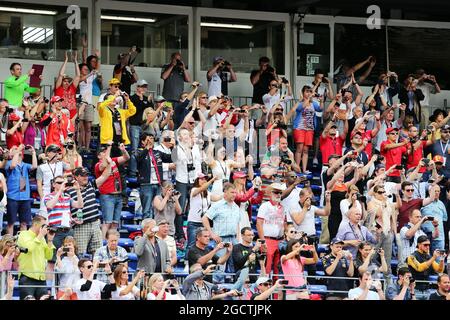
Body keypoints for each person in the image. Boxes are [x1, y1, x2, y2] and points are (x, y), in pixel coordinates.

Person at [66, 167, 103, 256]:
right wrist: (71, 219)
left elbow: (105, 176)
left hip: (95, 223)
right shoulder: (68, 190)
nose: (86, 177)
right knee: (80, 253)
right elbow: (65, 209)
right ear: (76, 177)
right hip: (80, 226)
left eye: (86, 175)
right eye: (83, 175)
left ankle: (96, 270)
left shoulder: (91, 185)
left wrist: (109, 164)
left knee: (98, 253)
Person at [95, 143, 130, 237]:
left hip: (118, 195)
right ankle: (102, 243)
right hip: (107, 196)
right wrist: (109, 147)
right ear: (99, 156)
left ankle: (112, 241)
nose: (106, 153)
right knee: (107, 222)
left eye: (106, 151)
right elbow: (104, 164)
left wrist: (123, 150)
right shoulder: (98, 165)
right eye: (103, 152)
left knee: (115, 223)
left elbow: (126, 157)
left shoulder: (113, 161)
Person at [286, 85, 324, 172]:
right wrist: (309, 98)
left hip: (309, 129)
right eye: (307, 91)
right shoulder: (300, 103)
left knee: (306, 150)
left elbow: (320, 109)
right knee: (299, 148)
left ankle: (304, 169)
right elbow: (301, 108)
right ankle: (297, 168)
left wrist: (321, 101)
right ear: (303, 93)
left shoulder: (313, 103)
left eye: (310, 91)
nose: (309, 93)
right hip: (299, 128)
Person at [17, 215, 55, 300]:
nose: (46, 228)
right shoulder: (23, 234)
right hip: (27, 277)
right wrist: (40, 235)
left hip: (41, 278)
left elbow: (49, 256)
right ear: (35, 225)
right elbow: (29, 248)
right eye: (43, 226)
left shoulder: (42, 238)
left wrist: (50, 240)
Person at [44, 175, 83, 253]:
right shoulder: (48, 196)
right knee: (53, 258)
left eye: (63, 183)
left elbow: (80, 205)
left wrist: (78, 190)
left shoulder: (67, 197)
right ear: (53, 184)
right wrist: (60, 191)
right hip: (55, 231)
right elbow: (50, 205)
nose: (62, 184)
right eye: (59, 183)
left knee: (69, 255)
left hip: (68, 231)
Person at [256, 183, 288, 277]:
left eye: (280, 193)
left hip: (280, 240)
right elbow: (259, 223)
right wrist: (263, 241)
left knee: (278, 268)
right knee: (267, 267)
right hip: (268, 239)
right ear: (270, 193)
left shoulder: (283, 208)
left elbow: (285, 223)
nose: (278, 194)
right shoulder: (264, 206)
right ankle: (265, 288)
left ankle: (275, 290)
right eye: (276, 192)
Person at [5, 144, 36, 235]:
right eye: (14, 149)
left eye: (18, 149)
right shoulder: (8, 163)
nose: (17, 150)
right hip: (13, 197)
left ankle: (23, 242)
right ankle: (9, 242)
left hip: (24, 197)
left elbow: (34, 166)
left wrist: (33, 153)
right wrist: (18, 150)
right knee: (11, 223)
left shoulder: (25, 165)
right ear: (11, 153)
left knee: (24, 223)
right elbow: (14, 165)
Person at [186, 174, 221, 249]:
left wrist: (227, 194)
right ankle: (187, 261)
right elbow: (202, 188)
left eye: (205, 179)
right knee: (191, 245)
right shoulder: (193, 190)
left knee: (203, 246)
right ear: (196, 180)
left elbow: (217, 198)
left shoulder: (207, 193)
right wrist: (211, 180)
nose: (204, 181)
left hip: (203, 224)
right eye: (201, 179)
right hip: (193, 223)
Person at [97, 80, 137, 146]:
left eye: (118, 86)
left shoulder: (120, 111)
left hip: (119, 139)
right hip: (108, 140)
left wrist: (128, 100)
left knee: (119, 156)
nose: (117, 88)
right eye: (115, 86)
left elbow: (133, 111)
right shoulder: (104, 110)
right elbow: (100, 106)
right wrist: (114, 96)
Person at [407, 235, 446, 300]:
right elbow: (419, 268)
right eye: (425, 245)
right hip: (414, 290)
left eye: (428, 245)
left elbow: (439, 270)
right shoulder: (411, 257)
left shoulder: (429, 257)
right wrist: (433, 257)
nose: (427, 247)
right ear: (419, 244)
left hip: (427, 290)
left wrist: (442, 259)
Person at [136, 132, 163, 219]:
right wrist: (147, 148)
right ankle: (146, 231)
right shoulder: (138, 151)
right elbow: (139, 158)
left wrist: (174, 147)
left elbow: (170, 157)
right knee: (147, 211)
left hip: (158, 184)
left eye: (152, 139)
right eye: (148, 139)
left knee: (157, 210)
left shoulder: (157, 152)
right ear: (143, 142)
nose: (151, 141)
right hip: (146, 184)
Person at [129, 79, 152, 177]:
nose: (143, 88)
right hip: (135, 125)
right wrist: (142, 100)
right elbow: (136, 110)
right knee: (134, 149)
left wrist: (148, 101)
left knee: (145, 148)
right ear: (137, 87)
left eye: (145, 87)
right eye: (141, 86)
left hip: (145, 126)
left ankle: (143, 170)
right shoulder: (132, 98)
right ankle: (133, 171)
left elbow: (150, 110)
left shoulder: (147, 98)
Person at [36, 144, 67, 216]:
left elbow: (72, 167)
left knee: (58, 215)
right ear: (48, 153)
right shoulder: (41, 167)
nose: (56, 154)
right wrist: (42, 197)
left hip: (59, 193)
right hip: (46, 193)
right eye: (54, 152)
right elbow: (39, 183)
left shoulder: (61, 164)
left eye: (57, 152)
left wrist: (70, 152)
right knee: (45, 217)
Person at [54, 51, 81, 122]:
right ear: (61, 82)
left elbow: (78, 76)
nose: (67, 83)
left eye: (68, 81)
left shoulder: (72, 87)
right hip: (62, 115)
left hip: (73, 116)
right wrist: (66, 60)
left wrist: (75, 62)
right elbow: (60, 75)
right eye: (64, 81)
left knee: (72, 133)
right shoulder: (58, 89)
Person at [421, 185, 448, 252]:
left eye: (438, 191)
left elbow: (444, 219)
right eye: (435, 191)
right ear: (429, 191)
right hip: (425, 236)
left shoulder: (441, 204)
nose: (436, 193)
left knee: (439, 260)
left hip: (439, 237)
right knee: (425, 260)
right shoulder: (423, 202)